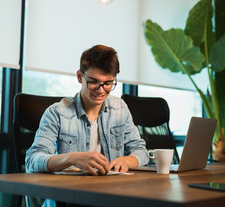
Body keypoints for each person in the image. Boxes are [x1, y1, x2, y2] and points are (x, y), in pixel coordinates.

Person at [26, 45, 149, 177]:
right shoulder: (57, 113)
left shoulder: (119, 109)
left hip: (111, 191)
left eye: (108, 83)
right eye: (93, 82)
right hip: (68, 194)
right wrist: (72, 159)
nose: (101, 90)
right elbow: (32, 160)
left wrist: (127, 160)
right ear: (80, 77)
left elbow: (141, 151)